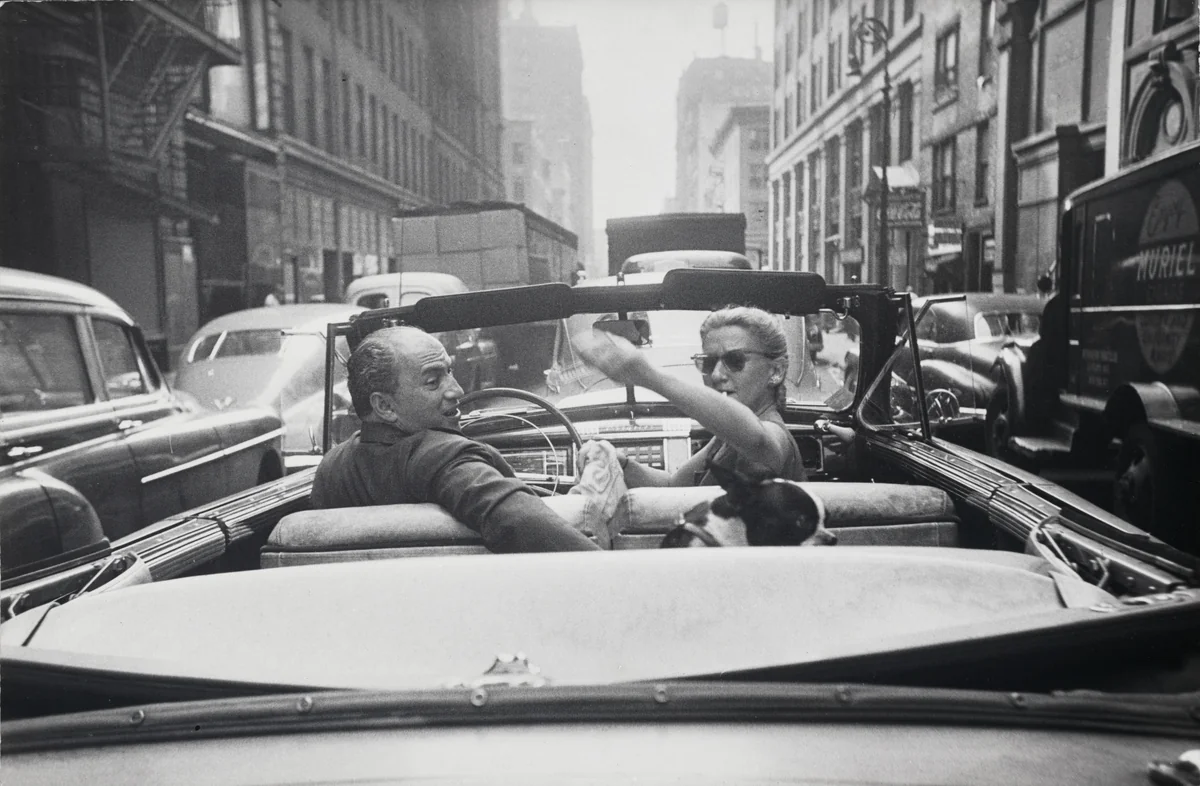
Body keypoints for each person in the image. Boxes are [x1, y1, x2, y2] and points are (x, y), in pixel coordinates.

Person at [311, 325, 599, 553]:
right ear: (384, 406)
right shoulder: (445, 458)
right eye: (432, 381)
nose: (457, 390)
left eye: (449, 372)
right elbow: (522, 521)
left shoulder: (331, 470)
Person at [575, 305, 806, 487]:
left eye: (735, 361)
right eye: (708, 362)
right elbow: (672, 486)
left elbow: (758, 440)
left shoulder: (774, 436)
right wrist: (620, 463)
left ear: (775, 372)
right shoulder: (725, 441)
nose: (716, 375)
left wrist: (646, 375)